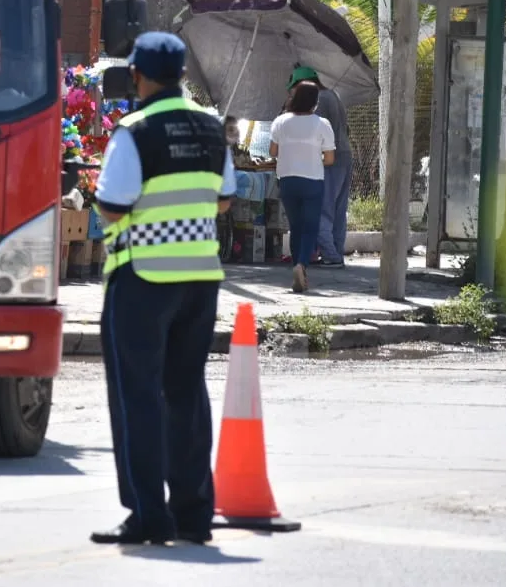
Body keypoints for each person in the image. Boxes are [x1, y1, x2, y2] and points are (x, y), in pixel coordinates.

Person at [90, 31, 237, 546]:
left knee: (138, 397)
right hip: (200, 279)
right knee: (186, 393)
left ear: (137, 75)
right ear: (181, 75)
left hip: (143, 278)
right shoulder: (210, 127)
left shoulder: (134, 131)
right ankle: (195, 516)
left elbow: (112, 204)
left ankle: (149, 516)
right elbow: (224, 200)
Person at [270, 79, 336, 292]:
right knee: (311, 227)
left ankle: (297, 269)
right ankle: (301, 265)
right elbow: (330, 159)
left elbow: (272, 152)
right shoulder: (322, 124)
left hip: (287, 180)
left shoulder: (280, 122)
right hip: (312, 181)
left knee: (296, 226)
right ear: (315, 102)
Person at [288, 66, 351, 266]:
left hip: (329, 157)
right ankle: (336, 253)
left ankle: (331, 255)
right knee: (338, 208)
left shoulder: (319, 99)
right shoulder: (333, 95)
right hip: (345, 155)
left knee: (322, 207)